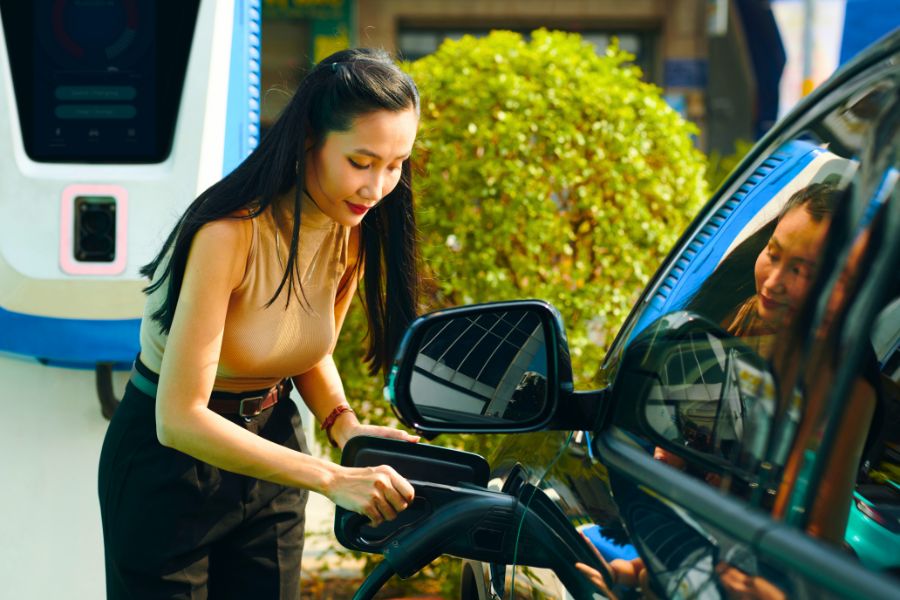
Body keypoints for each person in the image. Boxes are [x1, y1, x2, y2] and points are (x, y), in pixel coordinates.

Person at [98, 48, 423, 599]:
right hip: (168, 470)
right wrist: (332, 478)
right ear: (307, 142)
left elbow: (303, 345)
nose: (377, 188)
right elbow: (178, 419)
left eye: (395, 165)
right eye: (361, 162)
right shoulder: (229, 233)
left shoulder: (354, 226)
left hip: (272, 447)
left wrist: (344, 425)